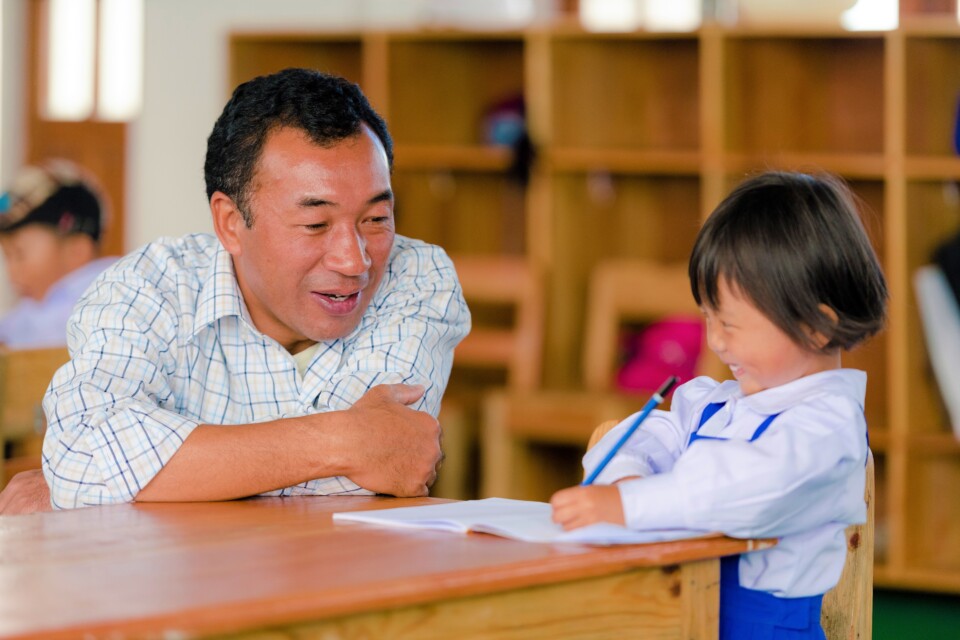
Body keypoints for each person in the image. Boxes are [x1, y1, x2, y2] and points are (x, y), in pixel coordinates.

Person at [1, 68, 469, 513]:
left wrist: (136, 481)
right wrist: (344, 442)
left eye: (375, 219)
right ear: (230, 222)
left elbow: (378, 469)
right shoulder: (150, 286)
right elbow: (82, 454)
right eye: (315, 223)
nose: (354, 261)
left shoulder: (416, 275)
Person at [551, 171, 888, 640]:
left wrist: (629, 504)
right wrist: (627, 474)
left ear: (817, 326)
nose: (714, 340)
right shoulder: (719, 402)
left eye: (730, 324)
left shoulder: (828, 428)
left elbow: (742, 491)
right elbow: (652, 433)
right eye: (707, 318)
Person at [0, 160, 117, 348]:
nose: (11, 272)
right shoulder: (33, 307)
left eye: (20, 254)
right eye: (7, 257)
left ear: (77, 251)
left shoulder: (105, 300)